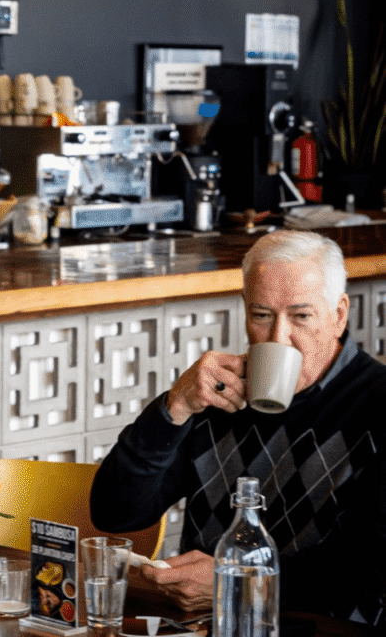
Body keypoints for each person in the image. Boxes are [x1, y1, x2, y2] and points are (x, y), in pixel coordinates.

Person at [90, 230, 386, 627]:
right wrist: (174, 407)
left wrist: (239, 579)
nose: (279, 338)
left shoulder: (377, 404)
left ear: (338, 315)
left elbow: (373, 571)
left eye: (301, 316)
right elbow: (114, 512)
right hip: (208, 626)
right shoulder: (220, 393)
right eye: (262, 316)